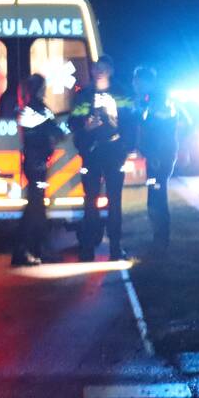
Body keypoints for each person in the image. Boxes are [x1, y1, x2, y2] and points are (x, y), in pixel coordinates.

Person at [69, 57, 135, 261]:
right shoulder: (84, 95)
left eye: (103, 68)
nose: (99, 71)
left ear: (111, 70)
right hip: (92, 152)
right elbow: (73, 121)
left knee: (115, 201)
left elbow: (131, 121)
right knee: (90, 202)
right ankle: (87, 248)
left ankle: (115, 247)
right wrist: (85, 127)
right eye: (96, 68)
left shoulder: (121, 93)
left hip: (114, 151)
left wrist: (126, 146)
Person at [12, 74, 67, 266]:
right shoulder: (37, 109)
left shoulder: (31, 108)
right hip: (36, 163)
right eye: (43, 87)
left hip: (34, 162)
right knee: (35, 207)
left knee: (35, 205)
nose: (45, 90)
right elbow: (56, 131)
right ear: (38, 89)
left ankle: (30, 249)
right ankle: (31, 248)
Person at [133, 66, 185, 251]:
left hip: (160, 155)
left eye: (138, 81)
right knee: (155, 193)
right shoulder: (151, 100)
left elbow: (160, 131)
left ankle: (161, 238)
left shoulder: (160, 101)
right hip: (156, 154)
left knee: (157, 194)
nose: (135, 85)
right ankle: (159, 237)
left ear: (148, 82)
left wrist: (155, 154)